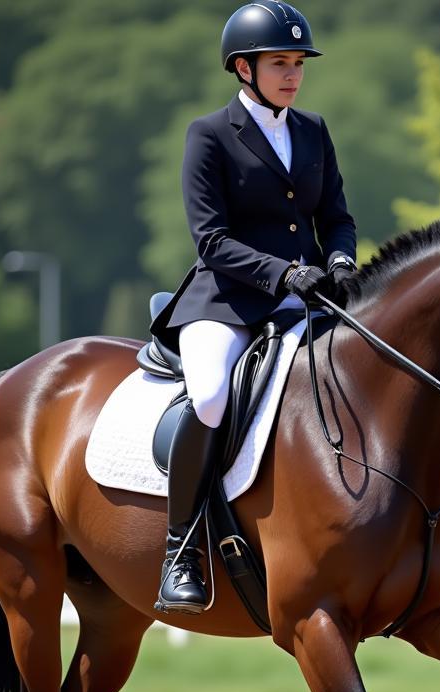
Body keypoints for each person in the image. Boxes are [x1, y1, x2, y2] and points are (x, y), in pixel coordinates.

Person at [149, 1, 358, 614]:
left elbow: (336, 218)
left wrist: (341, 261)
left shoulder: (313, 130)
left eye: (298, 63)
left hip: (306, 300)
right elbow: (211, 240)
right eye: (279, 63)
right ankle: (179, 549)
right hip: (226, 302)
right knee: (212, 394)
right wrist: (286, 274)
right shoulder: (209, 135)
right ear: (244, 67)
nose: (293, 74)